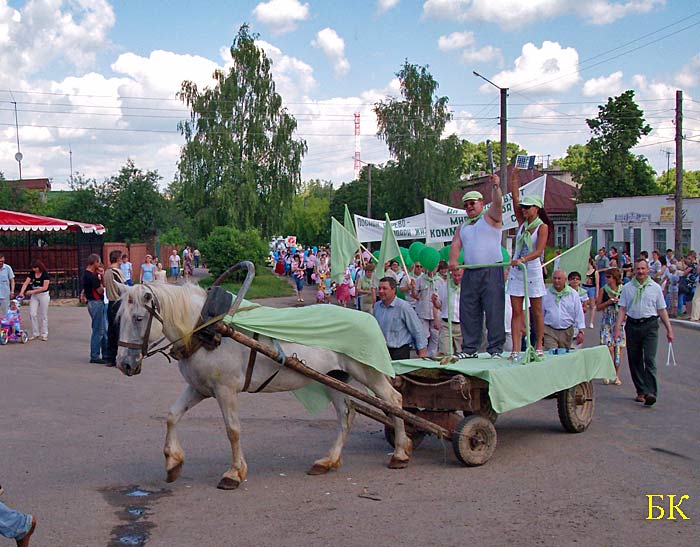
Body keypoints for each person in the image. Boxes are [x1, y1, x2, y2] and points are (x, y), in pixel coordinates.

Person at [449, 175, 505, 358]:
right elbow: (456, 244)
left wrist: (496, 187)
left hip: (491, 269)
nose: (469, 207)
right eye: (465, 205)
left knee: (494, 309)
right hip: (471, 271)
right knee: (468, 310)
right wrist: (454, 262)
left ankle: (495, 348)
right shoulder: (462, 226)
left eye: (472, 203)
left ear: (481, 203)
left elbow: (498, 204)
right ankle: (469, 348)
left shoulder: (490, 217)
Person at [614, 258, 674, 406]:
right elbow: (622, 309)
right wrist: (617, 328)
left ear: (648, 270)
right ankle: (641, 391)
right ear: (634, 270)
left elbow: (661, 309)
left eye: (643, 269)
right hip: (633, 325)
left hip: (650, 325)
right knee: (634, 360)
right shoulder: (627, 288)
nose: (640, 272)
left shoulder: (655, 288)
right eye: (638, 269)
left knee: (649, 358)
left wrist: (669, 330)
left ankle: (651, 392)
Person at [507, 173, 550, 359]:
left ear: (537, 208)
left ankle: (539, 343)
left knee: (537, 309)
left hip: (531, 270)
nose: (523, 210)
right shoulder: (522, 224)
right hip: (517, 270)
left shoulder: (542, 227)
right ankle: (516, 349)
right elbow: (515, 199)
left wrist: (524, 260)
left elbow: (538, 251)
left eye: (527, 207)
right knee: (516, 311)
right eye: (523, 208)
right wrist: (514, 179)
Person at [373, 277, 427, 360]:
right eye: (379, 288)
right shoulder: (377, 306)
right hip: (382, 351)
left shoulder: (403, 307)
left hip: (399, 352)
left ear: (393, 290)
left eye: (384, 288)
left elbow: (417, 329)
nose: (380, 291)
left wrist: (422, 352)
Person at [542, 270, 585, 350]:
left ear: (565, 280)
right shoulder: (546, 293)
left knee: (564, 355)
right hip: (549, 330)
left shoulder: (573, 294)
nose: (556, 281)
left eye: (559, 279)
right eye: (554, 278)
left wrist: (581, 331)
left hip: (567, 331)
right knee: (552, 354)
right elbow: (541, 313)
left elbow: (579, 313)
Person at [596, 267, 625, 385]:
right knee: (609, 348)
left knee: (618, 349)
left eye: (609, 277)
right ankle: (607, 372)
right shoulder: (604, 290)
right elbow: (598, 307)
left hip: (619, 321)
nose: (606, 279)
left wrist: (619, 302)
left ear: (615, 278)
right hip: (607, 321)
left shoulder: (623, 290)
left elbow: (627, 305)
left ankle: (616, 375)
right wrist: (609, 302)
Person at [81, 253, 108, 365]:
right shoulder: (92, 276)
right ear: (95, 262)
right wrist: (102, 279)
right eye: (99, 262)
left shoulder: (86, 274)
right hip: (96, 302)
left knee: (102, 329)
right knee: (99, 330)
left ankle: (106, 353)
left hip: (92, 302)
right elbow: (100, 290)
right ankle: (95, 355)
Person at [17, 260, 50, 342]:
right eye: (33, 268)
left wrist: (32, 292)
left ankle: (44, 334)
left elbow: (45, 287)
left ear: (39, 267)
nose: (34, 269)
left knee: (43, 315)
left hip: (43, 294)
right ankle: (35, 333)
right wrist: (21, 292)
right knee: (32, 314)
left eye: (35, 268)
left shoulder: (45, 274)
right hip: (34, 295)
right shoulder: (32, 273)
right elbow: (26, 283)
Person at [432, 268, 463, 355]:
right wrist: (434, 301)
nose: (456, 278)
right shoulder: (445, 286)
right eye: (455, 275)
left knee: (462, 353)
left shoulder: (468, 286)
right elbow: (439, 306)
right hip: (446, 324)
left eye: (459, 275)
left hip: (461, 325)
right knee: (445, 353)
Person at [103, 250, 126, 367]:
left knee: (111, 331)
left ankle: (109, 358)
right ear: (118, 259)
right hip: (118, 302)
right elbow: (124, 287)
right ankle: (119, 357)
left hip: (110, 302)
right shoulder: (117, 272)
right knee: (120, 332)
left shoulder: (106, 272)